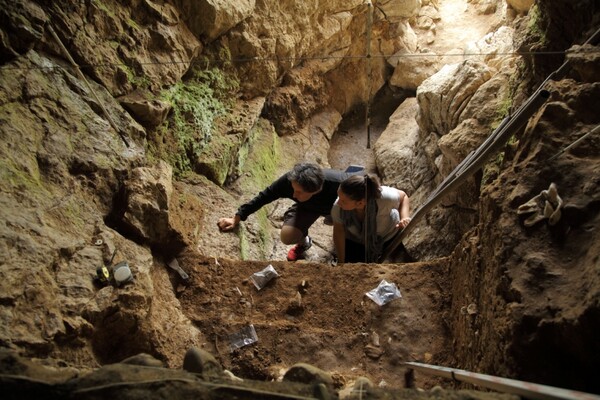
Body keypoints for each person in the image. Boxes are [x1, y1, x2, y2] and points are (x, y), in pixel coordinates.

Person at [218, 163, 356, 261]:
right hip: (307, 207)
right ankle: (304, 242)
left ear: (316, 190)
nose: (293, 195)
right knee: (288, 236)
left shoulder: (339, 184)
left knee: (352, 232)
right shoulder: (289, 181)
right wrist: (237, 217)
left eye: (299, 192)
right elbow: (265, 196)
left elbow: (363, 188)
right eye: (293, 189)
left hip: (340, 207)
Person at [331, 173, 411, 263]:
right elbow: (339, 232)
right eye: (339, 197)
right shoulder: (338, 208)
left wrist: (405, 217)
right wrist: (341, 261)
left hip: (387, 235)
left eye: (343, 201)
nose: (338, 203)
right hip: (356, 239)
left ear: (360, 203)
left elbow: (403, 196)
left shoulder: (385, 198)